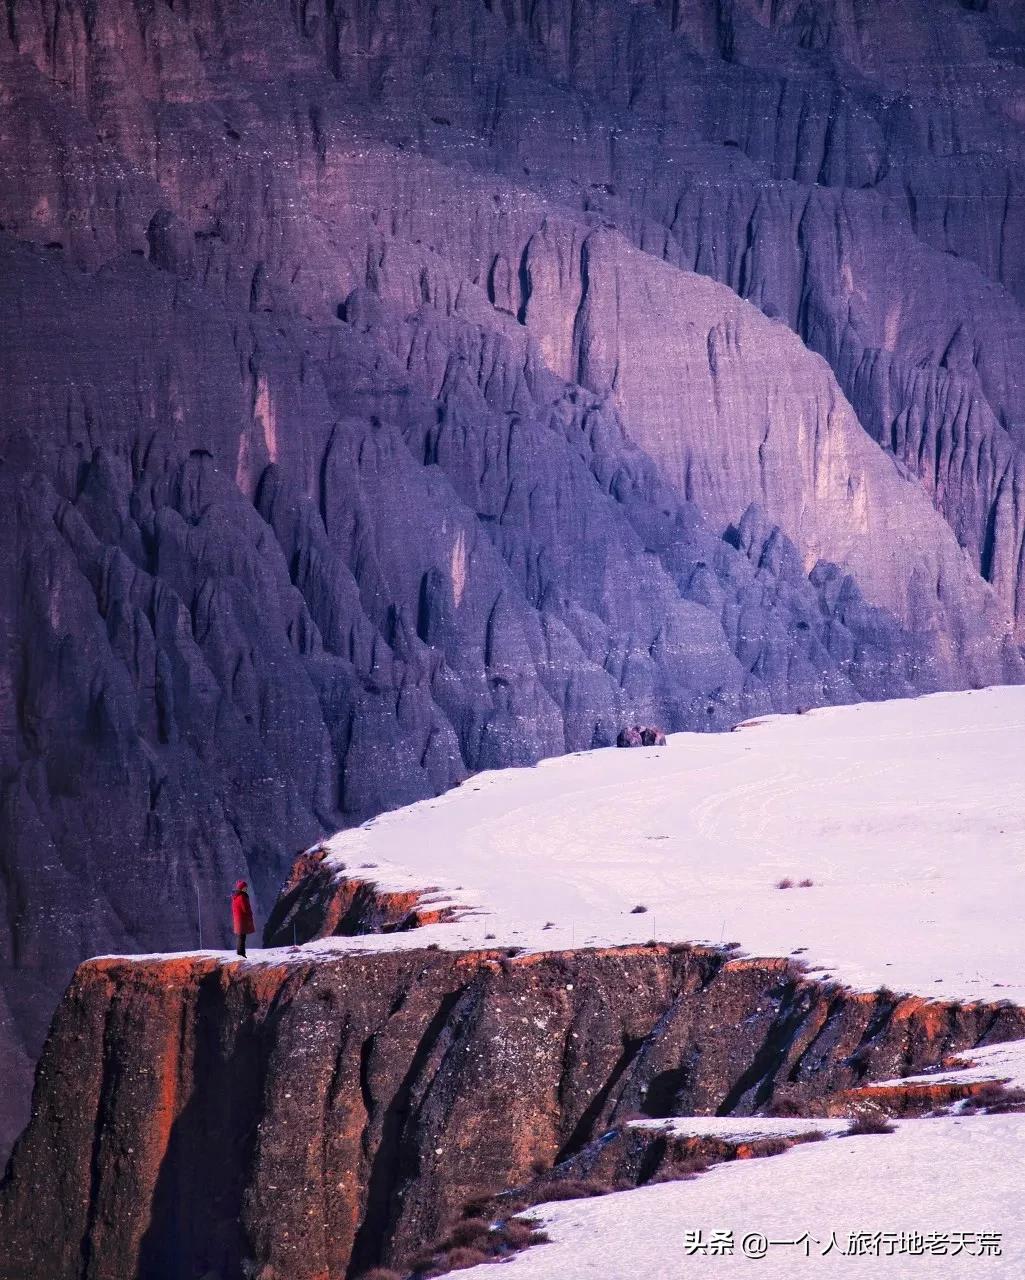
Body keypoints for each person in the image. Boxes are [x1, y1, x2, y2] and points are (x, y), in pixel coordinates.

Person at [231, 880, 255, 957]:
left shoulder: (236, 896)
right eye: (245, 888)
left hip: (238, 919)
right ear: (241, 888)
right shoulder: (242, 897)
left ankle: (240, 952)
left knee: (240, 936)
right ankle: (241, 953)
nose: (246, 889)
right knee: (242, 937)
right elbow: (245, 909)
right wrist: (250, 913)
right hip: (242, 919)